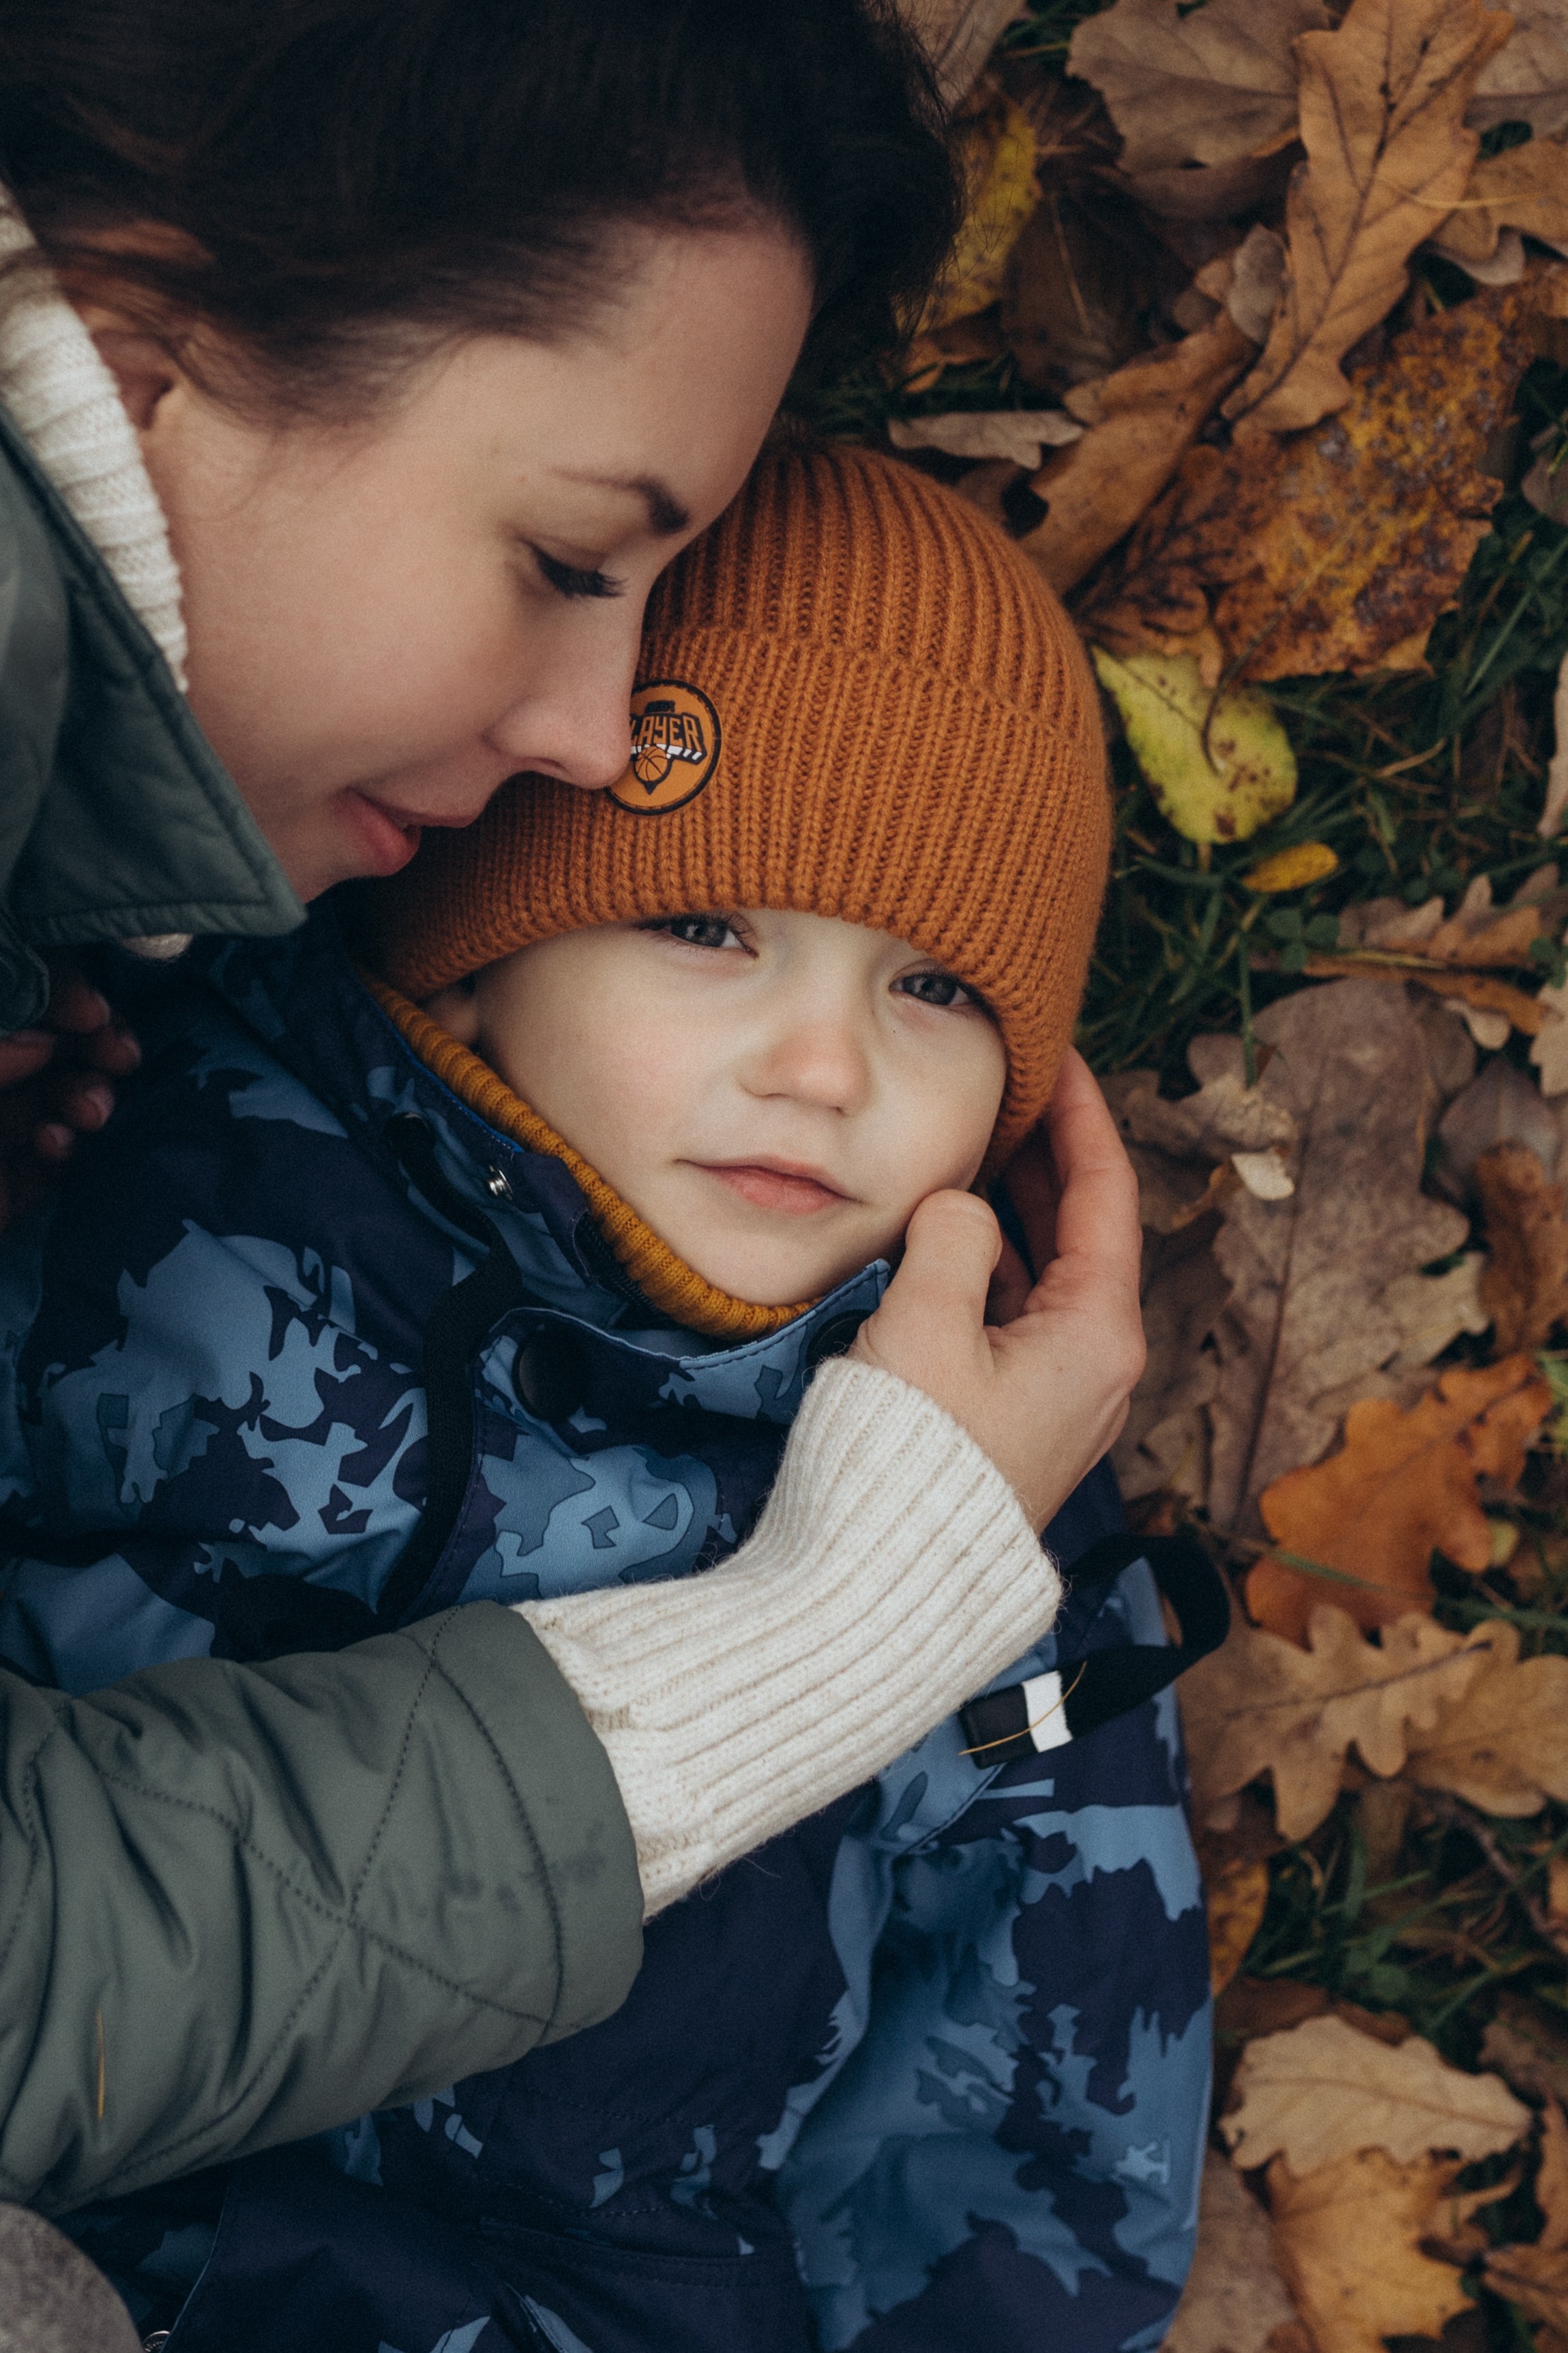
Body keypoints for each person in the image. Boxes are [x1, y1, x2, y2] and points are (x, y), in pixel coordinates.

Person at [0, 0, 1146, 2249]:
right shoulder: (201, 1195)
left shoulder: (997, 1498)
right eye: (564, 556)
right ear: (142, 360)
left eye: (930, 990)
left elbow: (1042, 1959)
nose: (591, 728)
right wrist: (817, 1638)